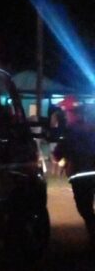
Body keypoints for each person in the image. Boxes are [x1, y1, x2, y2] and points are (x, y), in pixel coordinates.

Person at [52, 96, 95, 244]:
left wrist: (62, 162)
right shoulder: (91, 128)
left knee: (85, 209)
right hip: (92, 172)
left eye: (66, 112)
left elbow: (58, 153)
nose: (65, 116)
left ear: (71, 113)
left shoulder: (70, 132)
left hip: (79, 175)